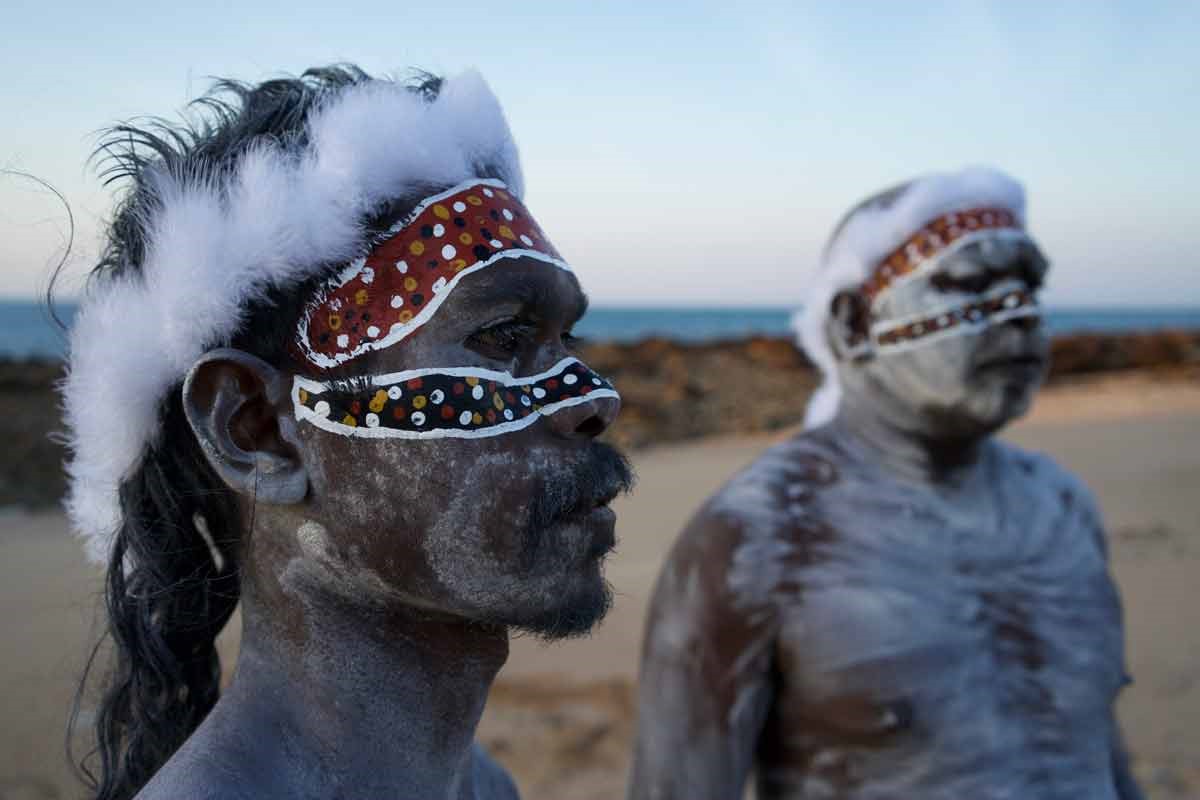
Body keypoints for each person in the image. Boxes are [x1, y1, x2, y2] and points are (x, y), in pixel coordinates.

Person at [62, 65, 632, 800]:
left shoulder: (486, 789)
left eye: (568, 340)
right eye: (500, 336)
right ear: (259, 429)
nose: (594, 396)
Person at [628, 167, 1143, 799]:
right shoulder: (754, 543)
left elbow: (1101, 758)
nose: (1020, 314)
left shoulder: (1065, 509)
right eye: (969, 284)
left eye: (1030, 283)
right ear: (853, 326)